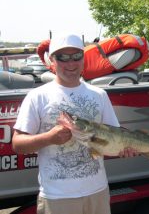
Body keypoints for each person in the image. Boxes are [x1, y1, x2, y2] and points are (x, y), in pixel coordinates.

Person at [12, 33, 137, 214]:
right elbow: (17, 145)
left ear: (83, 58)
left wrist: (124, 149)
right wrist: (49, 138)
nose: (70, 63)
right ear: (52, 61)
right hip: (57, 198)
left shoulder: (99, 94)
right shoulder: (37, 96)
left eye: (76, 56)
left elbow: (114, 137)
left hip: (97, 193)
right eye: (62, 57)